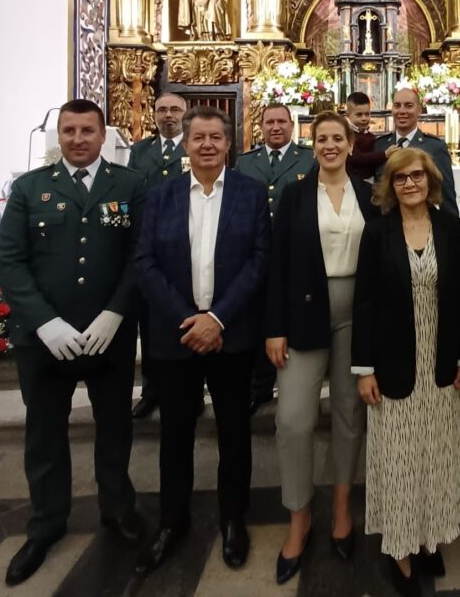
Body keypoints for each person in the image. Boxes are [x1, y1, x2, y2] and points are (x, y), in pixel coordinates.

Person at [0, 99, 146, 586]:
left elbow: (140, 256)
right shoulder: (29, 188)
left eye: (87, 130)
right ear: (57, 136)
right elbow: (11, 262)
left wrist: (115, 312)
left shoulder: (129, 186)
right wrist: (44, 323)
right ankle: (45, 525)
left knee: (115, 429)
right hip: (44, 342)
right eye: (69, 131)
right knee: (44, 436)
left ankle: (117, 509)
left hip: (109, 335)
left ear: (104, 136)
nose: (78, 139)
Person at [134, 106, 270, 575]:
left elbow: (259, 260)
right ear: (186, 144)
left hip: (231, 337)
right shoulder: (161, 195)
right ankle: (173, 521)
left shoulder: (251, 194)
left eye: (216, 137)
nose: (208, 144)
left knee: (235, 433)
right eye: (199, 138)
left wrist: (218, 318)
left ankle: (234, 518)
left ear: (228, 144)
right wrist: (189, 320)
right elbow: (146, 262)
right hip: (176, 338)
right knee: (175, 434)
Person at [353, 148, 460, 595]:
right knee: (400, 457)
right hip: (392, 364)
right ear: (390, 185)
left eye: (417, 177)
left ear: (431, 181)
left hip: (440, 359)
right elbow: (363, 302)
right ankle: (401, 548)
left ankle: (430, 538)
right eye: (401, 178)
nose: (410, 184)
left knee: (438, 453)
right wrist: (364, 368)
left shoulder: (450, 227)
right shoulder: (377, 232)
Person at [265, 112, 379, 585]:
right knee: (293, 419)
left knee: (351, 416)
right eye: (322, 139)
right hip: (305, 311)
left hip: (360, 312)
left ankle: (340, 507)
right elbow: (275, 263)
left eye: (338, 138)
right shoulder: (293, 196)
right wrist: (275, 327)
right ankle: (299, 515)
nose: (330, 145)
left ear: (352, 144)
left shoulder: (371, 196)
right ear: (312, 146)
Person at [236, 103, 314, 413]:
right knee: (258, 320)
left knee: (291, 317)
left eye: (282, 121)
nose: (276, 127)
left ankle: (295, 384)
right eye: (270, 122)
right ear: (261, 127)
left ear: (292, 127)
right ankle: (260, 384)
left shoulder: (308, 159)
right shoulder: (245, 162)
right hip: (254, 252)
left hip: (294, 253)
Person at [128, 91, 188, 419]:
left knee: (184, 321)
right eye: (162, 110)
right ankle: (151, 390)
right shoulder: (139, 152)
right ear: (154, 114)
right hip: (148, 250)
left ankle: (187, 393)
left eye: (174, 110)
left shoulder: (195, 146)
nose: (168, 115)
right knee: (150, 326)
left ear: (185, 113)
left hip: (185, 250)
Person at [374, 88, 458, 218]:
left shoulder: (435, 147)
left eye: (408, 106)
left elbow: (446, 196)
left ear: (419, 110)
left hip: (423, 222)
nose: (402, 111)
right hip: (386, 227)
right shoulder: (379, 146)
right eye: (397, 106)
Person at [346, 90, 395, 181]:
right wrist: (384, 154)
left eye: (367, 114)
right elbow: (357, 158)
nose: (364, 118)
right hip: (355, 181)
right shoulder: (347, 135)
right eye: (359, 115)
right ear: (348, 115)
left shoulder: (370, 136)